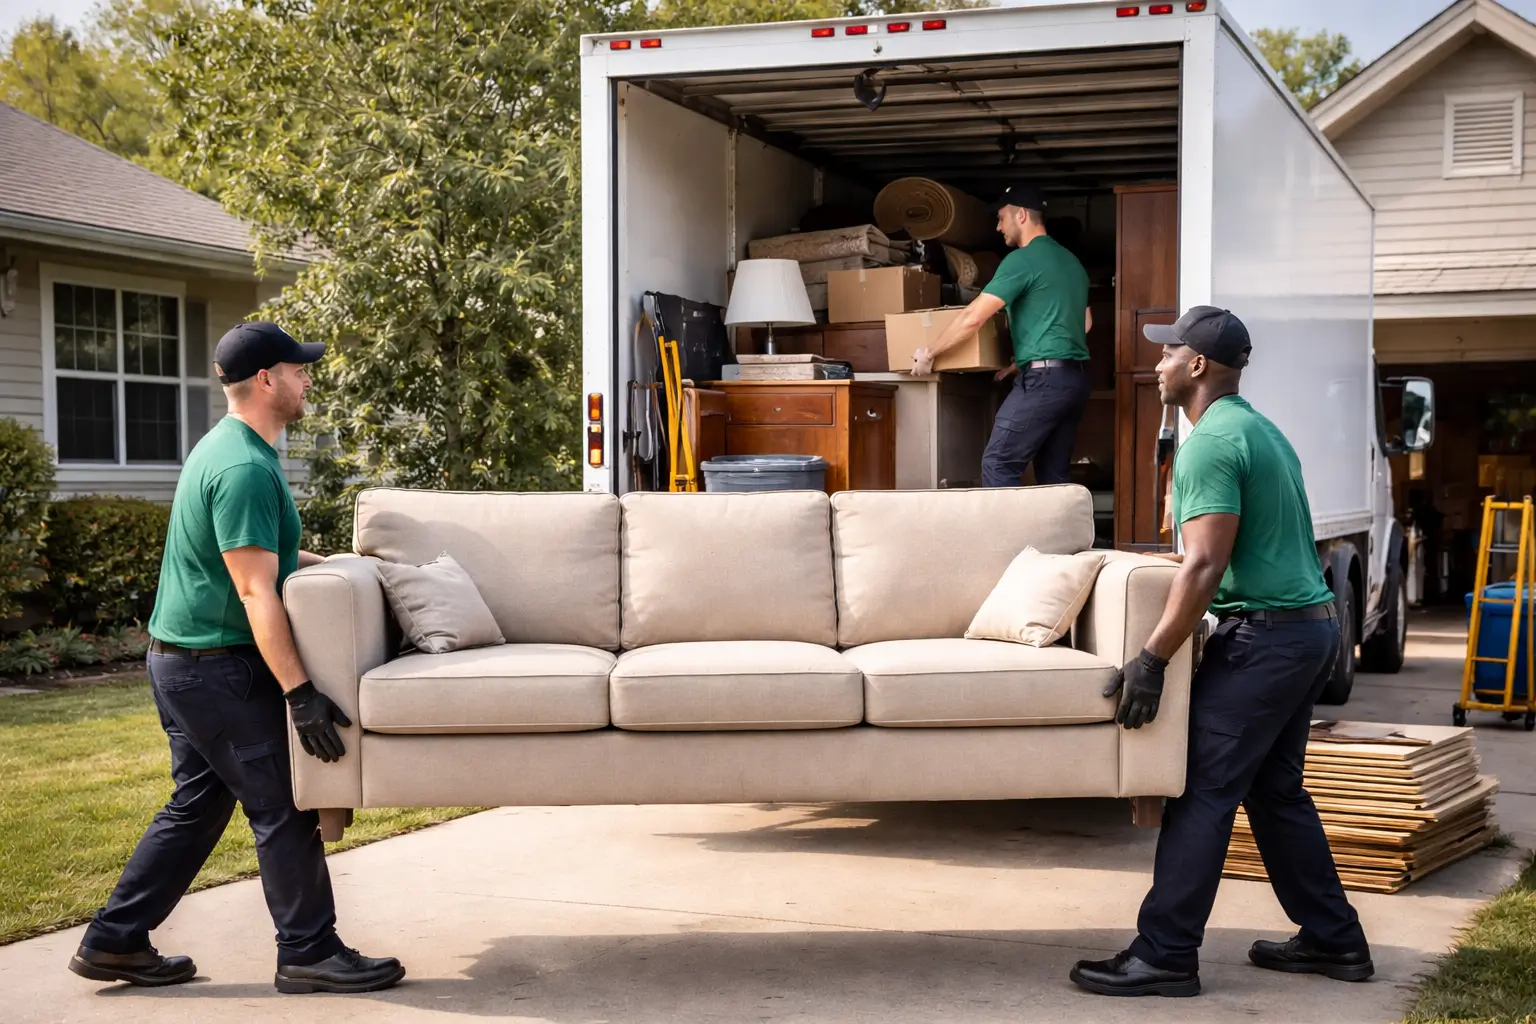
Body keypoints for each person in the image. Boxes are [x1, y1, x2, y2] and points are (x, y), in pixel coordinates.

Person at [69, 322, 405, 995]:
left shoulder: (232, 449)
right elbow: (255, 591)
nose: (307, 380)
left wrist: (343, 565)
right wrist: (300, 694)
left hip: (184, 663)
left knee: (196, 806)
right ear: (266, 379)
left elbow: (261, 558)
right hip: (214, 669)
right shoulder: (244, 468)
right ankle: (308, 951)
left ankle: (115, 940)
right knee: (284, 805)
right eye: (299, 370)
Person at [1070, 307, 1371, 998]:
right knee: (1275, 792)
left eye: (1168, 352)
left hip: (1267, 641)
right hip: (1307, 631)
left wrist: (1151, 658)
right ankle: (1335, 940)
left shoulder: (1208, 444)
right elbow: (1229, 551)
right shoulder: (1259, 430)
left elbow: (1206, 564)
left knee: (1203, 792)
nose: (1158, 364)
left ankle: (1165, 954)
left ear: (1198, 364)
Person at [910, 182, 1092, 487]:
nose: (998, 227)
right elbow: (1083, 323)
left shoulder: (1023, 260)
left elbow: (973, 317)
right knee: (1054, 479)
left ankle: (1009, 524)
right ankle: (1057, 523)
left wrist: (930, 352)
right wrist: (1026, 360)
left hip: (1044, 381)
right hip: (1075, 380)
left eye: (1001, 218)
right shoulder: (1072, 263)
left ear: (1021, 215)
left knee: (999, 464)